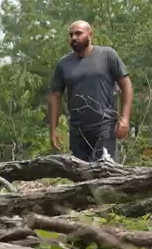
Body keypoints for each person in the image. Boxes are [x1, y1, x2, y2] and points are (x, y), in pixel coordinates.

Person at [47, 20, 133, 162]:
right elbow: (55, 97)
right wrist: (53, 130)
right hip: (78, 129)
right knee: (82, 175)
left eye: (78, 33)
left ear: (90, 34)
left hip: (104, 124)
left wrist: (125, 119)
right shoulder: (63, 64)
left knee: (105, 170)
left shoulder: (107, 55)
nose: (74, 37)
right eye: (71, 34)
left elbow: (126, 85)